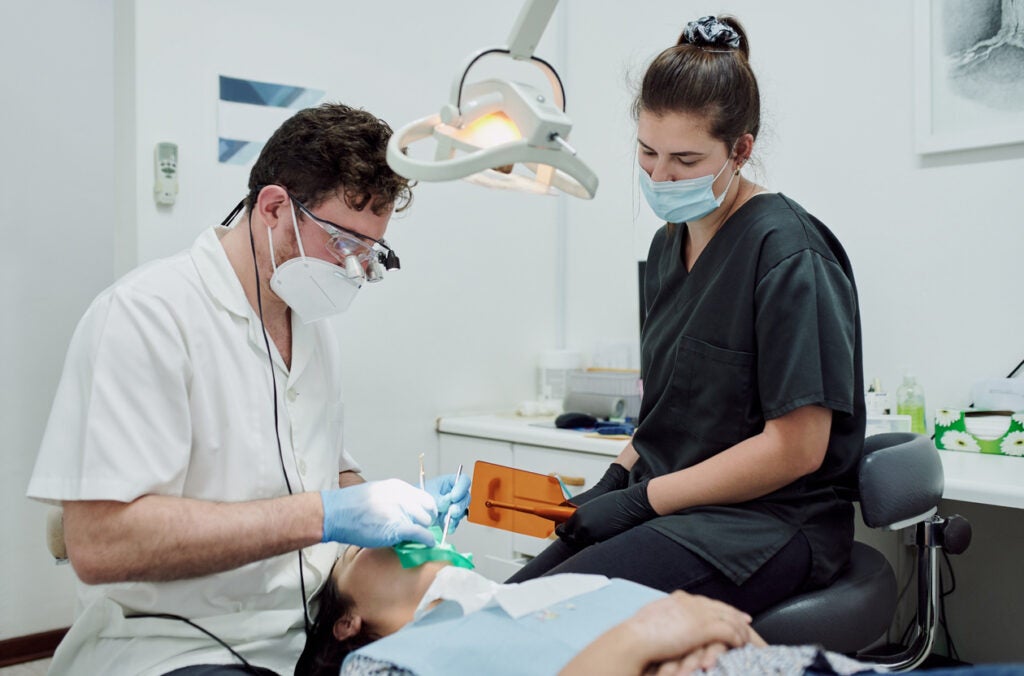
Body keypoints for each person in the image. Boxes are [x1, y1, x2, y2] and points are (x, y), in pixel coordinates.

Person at [26, 103, 470, 676]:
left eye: (371, 253)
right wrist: (326, 514)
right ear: (274, 207)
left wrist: (399, 505)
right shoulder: (145, 317)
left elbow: (324, 474)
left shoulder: (310, 328)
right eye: (344, 243)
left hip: (304, 630)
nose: (357, 270)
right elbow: (101, 544)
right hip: (174, 645)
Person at [507, 14, 866, 618]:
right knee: (508, 602)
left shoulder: (789, 252)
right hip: (678, 506)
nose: (660, 175)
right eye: (647, 152)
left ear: (741, 149)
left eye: (685, 159)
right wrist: (615, 481)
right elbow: (669, 412)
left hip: (769, 523)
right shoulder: (667, 247)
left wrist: (641, 502)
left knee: (552, 616)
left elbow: (797, 449)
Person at [300, 545, 1024, 676]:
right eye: (351, 552)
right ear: (345, 621)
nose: (381, 537)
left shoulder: (535, 593)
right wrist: (643, 636)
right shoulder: (384, 664)